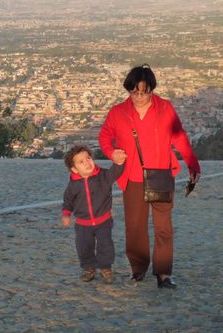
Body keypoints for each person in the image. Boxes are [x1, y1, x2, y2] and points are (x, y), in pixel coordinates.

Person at [99, 64, 201, 288]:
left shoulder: (165, 109)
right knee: (135, 227)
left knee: (163, 227)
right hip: (132, 176)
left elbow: (179, 138)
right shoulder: (118, 112)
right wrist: (111, 152)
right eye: (134, 91)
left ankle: (163, 273)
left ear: (152, 90)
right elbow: (105, 136)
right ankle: (138, 268)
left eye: (144, 91)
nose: (138, 96)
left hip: (161, 174)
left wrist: (193, 163)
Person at [62, 145, 125, 284]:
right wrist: (66, 214)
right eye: (81, 162)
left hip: (103, 220)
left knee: (105, 245)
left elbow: (115, 172)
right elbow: (68, 200)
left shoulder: (103, 175)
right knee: (84, 247)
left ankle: (106, 268)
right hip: (82, 224)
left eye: (88, 158)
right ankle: (88, 269)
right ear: (74, 169)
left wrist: (119, 162)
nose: (87, 163)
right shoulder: (73, 185)